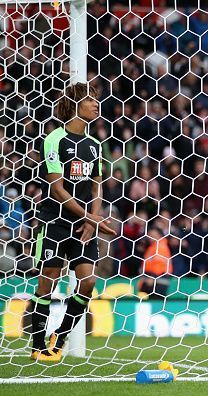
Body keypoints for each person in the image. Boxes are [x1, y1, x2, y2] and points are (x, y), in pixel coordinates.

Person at [30, 82, 116, 361]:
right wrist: (90, 217)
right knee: (48, 283)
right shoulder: (54, 139)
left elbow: (96, 187)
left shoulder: (95, 145)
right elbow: (57, 188)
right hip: (55, 220)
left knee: (88, 282)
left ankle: (61, 335)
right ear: (76, 104)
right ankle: (37, 345)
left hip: (83, 225)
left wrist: (93, 220)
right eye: (91, 100)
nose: (96, 104)